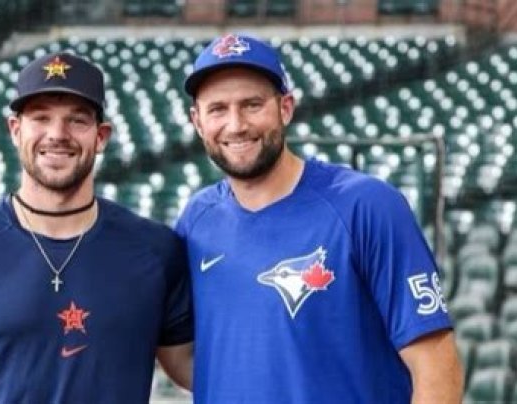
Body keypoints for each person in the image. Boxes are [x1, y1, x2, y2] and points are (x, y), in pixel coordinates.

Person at [175, 33, 463, 403]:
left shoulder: (367, 206)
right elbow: (189, 356)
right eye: (218, 109)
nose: (236, 125)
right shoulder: (197, 220)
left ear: (286, 108)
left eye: (252, 105)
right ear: (197, 122)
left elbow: (437, 368)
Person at [0, 52, 193, 403]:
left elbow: (190, 366)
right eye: (40, 118)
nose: (57, 134)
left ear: (101, 136)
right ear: (15, 130)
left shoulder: (155, 250)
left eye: (77, 120)